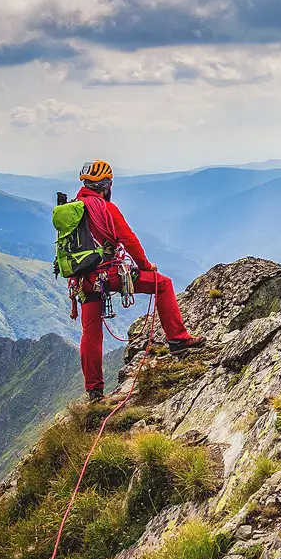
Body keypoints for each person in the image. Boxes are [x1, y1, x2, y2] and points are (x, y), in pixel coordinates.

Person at [72, 159, 204, 400]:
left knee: (91, 333)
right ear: (106, 185)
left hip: (84, 280)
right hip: (109, 274)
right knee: (163, 284)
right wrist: (145, 266)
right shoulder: (105, 209)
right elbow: (129, 240)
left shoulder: (72, 210)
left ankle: (94, 391)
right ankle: (178, 340)